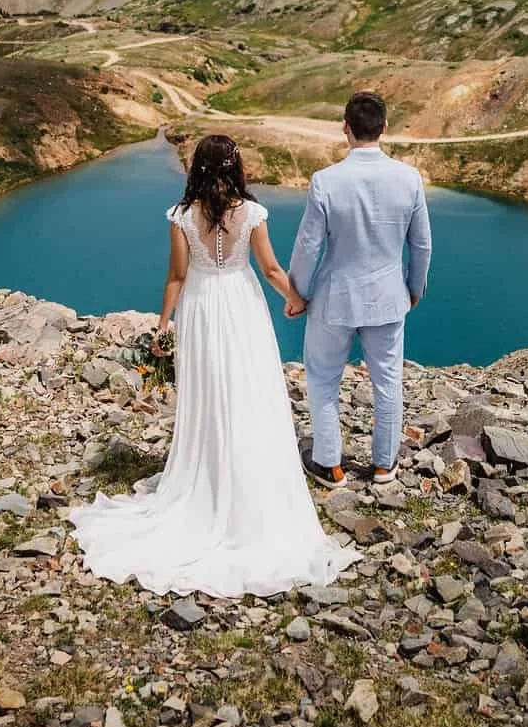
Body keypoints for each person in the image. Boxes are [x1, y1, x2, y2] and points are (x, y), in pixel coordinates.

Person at [67, 134, 358, 597]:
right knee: (249, 390)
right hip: (241, 306)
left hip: (201, 309)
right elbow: (271, 271)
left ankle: (205, 480)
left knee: (208, 395)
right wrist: (296, 300)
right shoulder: (253, 213)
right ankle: (251, 483)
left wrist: (163, 326)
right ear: (235, 166)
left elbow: (177, 278)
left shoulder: (181, 217)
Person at [288, 91, 433, 487]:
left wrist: (296, 293)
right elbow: (420, 244)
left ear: (346, 128)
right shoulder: (409, 179)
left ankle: (330, 465)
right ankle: (385, 465)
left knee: (322, 378)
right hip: (389, 297)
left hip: (335, 297)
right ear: (385, 128)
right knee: (387, 382)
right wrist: (414, 288)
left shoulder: (325, 181)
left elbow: (308, 246)